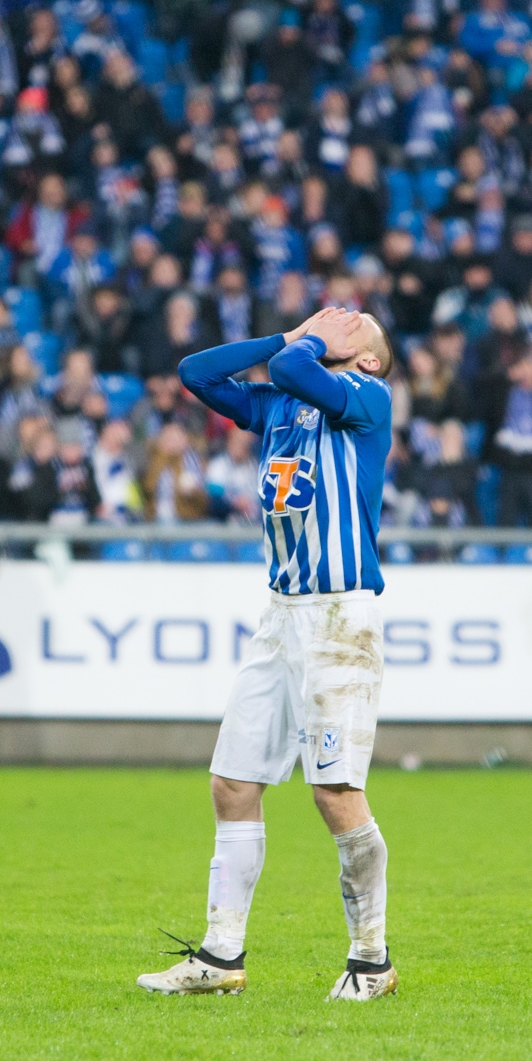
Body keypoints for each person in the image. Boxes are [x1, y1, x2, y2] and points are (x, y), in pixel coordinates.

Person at [142, 308, 398, 1002]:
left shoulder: (368, 397)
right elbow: (196, 372)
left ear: (368, 358)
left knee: (335, 794)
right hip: (280, 614)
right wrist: (287, 338)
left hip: (339, 615)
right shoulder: (282, 401)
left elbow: (291, 366)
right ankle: (221, 955)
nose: (341, 316)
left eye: (357, 322)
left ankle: (372, 961)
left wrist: (305, 341)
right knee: (232, 781)